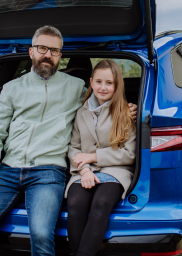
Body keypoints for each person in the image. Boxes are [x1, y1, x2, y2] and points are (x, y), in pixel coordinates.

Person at [0, 26, 137, 256]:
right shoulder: (12, 89)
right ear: (31, 52)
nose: (47, 55)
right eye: (42, 48)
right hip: (7, 172)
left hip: (48, 172)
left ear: (60, 56)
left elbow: (104, 100)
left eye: (54, 50)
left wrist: (128, 108)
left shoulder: (76, 88)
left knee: (42, 236)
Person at [65, 60, 136, 256]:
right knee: (75, 202)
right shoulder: (81, 112)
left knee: (101, 202)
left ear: (117, 85)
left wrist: (92, 157)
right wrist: (84, 170)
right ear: (91, 82)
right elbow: (74, 148)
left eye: (109, 83)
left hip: (116, 171)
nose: (103, 87)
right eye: (98, 82)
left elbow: (129, 154)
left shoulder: (126, 112)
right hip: (84, 170)